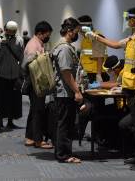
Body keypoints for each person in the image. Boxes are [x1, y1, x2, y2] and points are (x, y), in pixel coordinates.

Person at [87, 7, 135, 170]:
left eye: (129, 19)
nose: (127, 21)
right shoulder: (133, 37)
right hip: (130, 87)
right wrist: (96, 37)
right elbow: (115, 44)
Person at [52, 17, 83, 164]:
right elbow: (66, 72)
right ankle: (64, 155)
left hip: (64, 91)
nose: (78, 34)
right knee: (65, 124)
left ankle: (63, 152)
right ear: (70, 31)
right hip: (64, 92)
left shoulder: (63, 45)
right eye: (77, 31)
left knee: (65, 123)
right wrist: (76, 91)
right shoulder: (64, 48)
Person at [23, 21, 54, 149]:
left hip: (35, 83)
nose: (48, 37)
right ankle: (38, 140)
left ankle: (29, 137)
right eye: (47, 34)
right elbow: (29, 65)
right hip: (35, 83)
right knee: (38, 111)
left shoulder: (36, 43)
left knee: (34, 110)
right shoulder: (33, 45)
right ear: (40, 34)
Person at [0, 21, 24, 131]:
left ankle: (10, 121)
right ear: (6, 30)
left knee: (13, 99)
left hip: (14, 74)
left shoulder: (19, 40)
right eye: (10, 32)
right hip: (2, 74)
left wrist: (21, 73)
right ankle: (0, 121)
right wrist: (2, 46)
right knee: (1, 99)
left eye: (13, 32)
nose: (11, 34)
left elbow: (21, 57)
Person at [78, 15, 108, 83]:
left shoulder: (96, 36)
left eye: (78, 26)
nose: (77, 29)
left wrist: (99, 75)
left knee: (94, 91)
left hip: (95, 73)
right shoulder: (86, 37)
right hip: (88, 72)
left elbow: (100, 56)